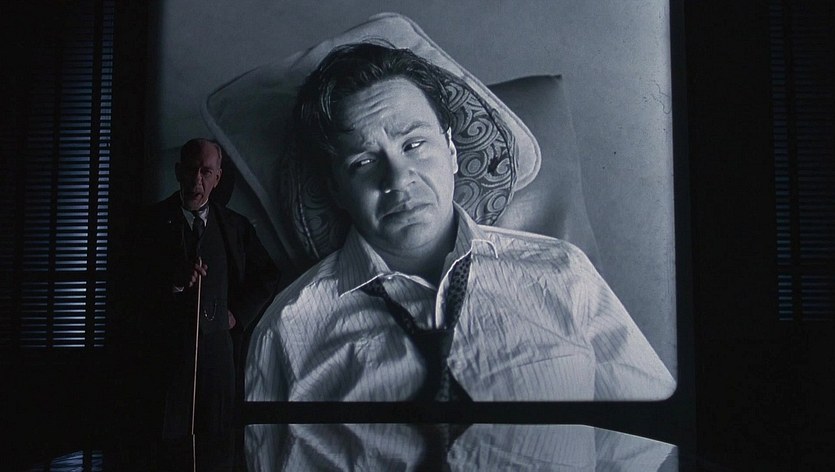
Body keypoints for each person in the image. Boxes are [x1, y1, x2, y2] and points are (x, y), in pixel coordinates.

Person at [245, 43, 675, 402]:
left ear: (451, 152)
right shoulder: (285, 331)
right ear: (336, 190)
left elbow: (647, 436)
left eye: (414, 144)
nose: (398, 179)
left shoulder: (564, 272)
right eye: (364, 162)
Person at [130, 138, 280, 445]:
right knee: (167, 445)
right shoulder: (149, 224)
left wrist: (237, 314)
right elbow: (128, 288)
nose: (196, 180)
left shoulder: (235, 227)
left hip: (218, 362)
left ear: (217, 178)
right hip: (165, 360)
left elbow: (268, 275)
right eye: (190, 170)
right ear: (178, 171)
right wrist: (172, 282)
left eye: (206, 172)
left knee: (217, 444)